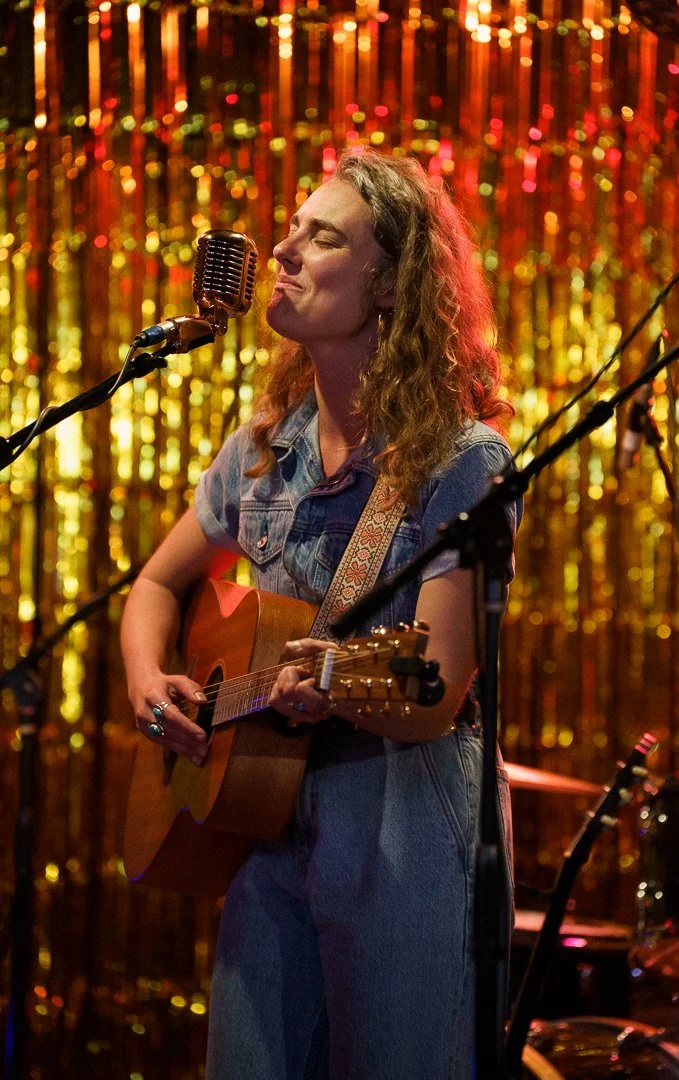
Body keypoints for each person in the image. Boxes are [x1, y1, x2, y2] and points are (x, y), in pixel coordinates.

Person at [120, 148, 521, 1079]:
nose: (283, 250)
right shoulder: (265, 449)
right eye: (291, 229)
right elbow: (154, 586)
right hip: (263, 816)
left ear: (388, 284)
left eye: (322, 235)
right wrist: (152, 684)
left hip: (404, 821)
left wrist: (336, 682)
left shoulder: (461, 461)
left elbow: (432, 686)